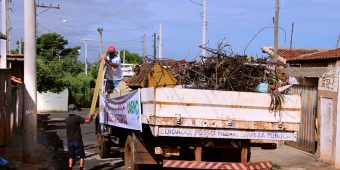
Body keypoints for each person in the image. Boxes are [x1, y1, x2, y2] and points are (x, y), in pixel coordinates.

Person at [65, 104, 93, 170]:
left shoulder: (66, 119)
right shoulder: (77, 118)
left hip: (70, 140)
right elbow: (88, 121)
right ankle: (81, 168)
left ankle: (70, 168)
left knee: (71, 156)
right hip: (77, 140)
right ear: (75, 110)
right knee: (81, 156)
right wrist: (91, 116)